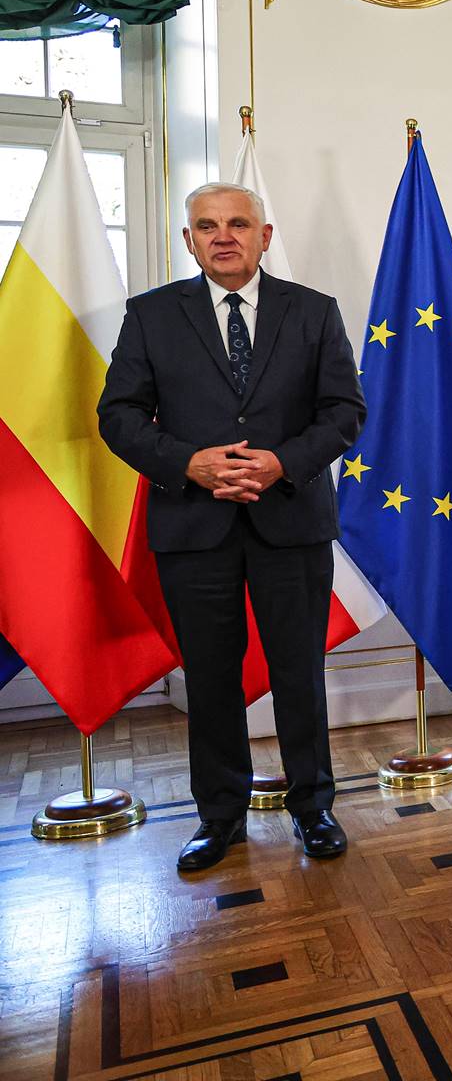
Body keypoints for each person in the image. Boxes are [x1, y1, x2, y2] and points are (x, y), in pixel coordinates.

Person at [98, 182, 365, 872]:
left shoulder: (313, 311)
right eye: (208, 225)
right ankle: (220, 817)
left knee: (299, 672)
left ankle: (314, 808)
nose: (224, 236)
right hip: (194, 525)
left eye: (238, 223)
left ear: (263, 236)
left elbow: (344, 411)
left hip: (292, 520)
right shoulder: (152, 315)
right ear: (189, 240)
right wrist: (190, 463)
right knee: (211, 678)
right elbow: (118, 415)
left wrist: (282, 463)